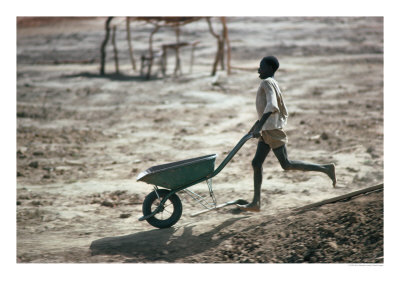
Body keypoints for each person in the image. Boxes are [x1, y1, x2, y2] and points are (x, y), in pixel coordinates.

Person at [237, 56, 336, 212]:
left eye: (261, 67)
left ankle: (325, 168)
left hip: (272, 130)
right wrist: (256, 126)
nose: (258, 69)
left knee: (286, 164)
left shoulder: (267, 82)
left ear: (270, 68)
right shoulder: (272, 82)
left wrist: (259, 126)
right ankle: (256, 203)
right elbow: (267, 109)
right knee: (256, 163)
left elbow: (271, 106)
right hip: (266, 130)